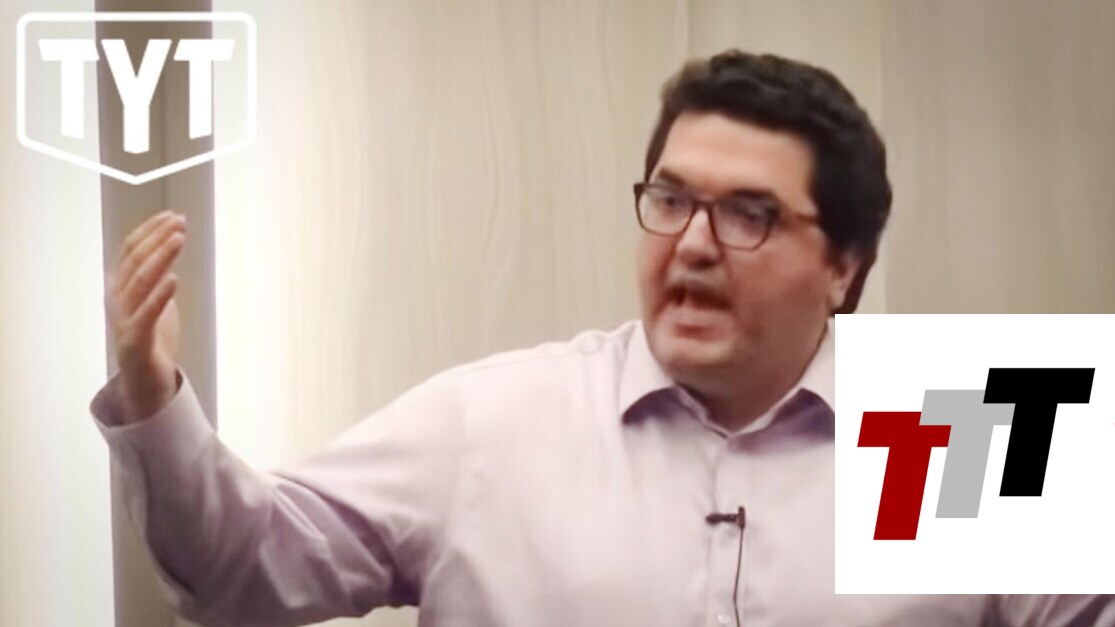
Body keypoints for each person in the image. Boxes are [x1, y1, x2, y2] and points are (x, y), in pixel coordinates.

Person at [92, 50, 1114, 627]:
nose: (693, 245)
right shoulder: (493, 422)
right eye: (670, 199)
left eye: (748, 214)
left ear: (843, 265)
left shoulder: (972, 419)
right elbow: (244, 572)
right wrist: (153, 397)